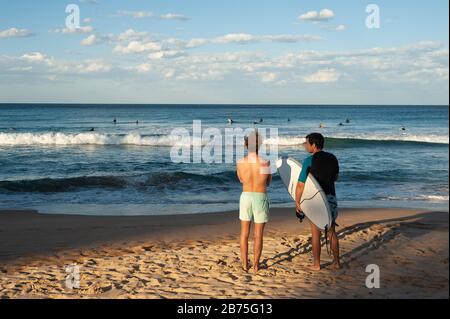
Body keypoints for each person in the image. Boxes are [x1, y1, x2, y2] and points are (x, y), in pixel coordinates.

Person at [295, 133, 341, 271]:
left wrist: (298, 203)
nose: (305, 146)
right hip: (331, 198)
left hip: (316, 200)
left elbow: (300, 184)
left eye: (306, 143)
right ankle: (337, 262)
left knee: (315, 233)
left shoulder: (309, 161)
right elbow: (336, 177)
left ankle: (317, 264)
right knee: (331, 231)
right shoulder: (333, 158)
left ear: (313, 145)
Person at [236, 130, 272, 273]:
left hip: (245, 196)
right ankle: (256, 266)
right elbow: (268, 182)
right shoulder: (265, 162)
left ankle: (245, 264)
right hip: (260, 196)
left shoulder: (240, 163)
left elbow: (241, 180)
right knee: (258, 234)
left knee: (244, 233)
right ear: (259, 145)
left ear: (246, 146)